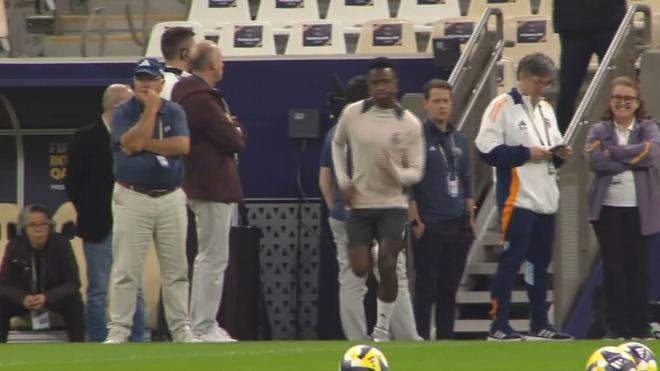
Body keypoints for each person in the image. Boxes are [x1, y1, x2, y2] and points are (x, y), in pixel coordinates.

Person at [475, 53, 574, 341]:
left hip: (546, 196)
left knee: (539, 264)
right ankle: (499, 323)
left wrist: (559, 156)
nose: (543, 88)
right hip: (517, 198)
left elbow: (551, 149)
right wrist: (525, 153)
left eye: (546, 83)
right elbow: (486, 150)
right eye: (539, 82)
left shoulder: (545, 108)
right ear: (522, 77)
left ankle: (540, 322)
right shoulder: (501, 106)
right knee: (511, 259)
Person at [320, 75, 421, 341]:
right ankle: (407, 336)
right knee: (393, 272)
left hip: (347, 213)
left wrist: (338, 209)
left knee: (352, 280)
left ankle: (357, 340)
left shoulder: (335, 132)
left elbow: (325, 179)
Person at [104, 57, 198, 344]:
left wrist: (145, 143)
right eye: (140, 78)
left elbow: (182, 145)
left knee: (176, 269)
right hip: (133, 196)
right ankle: (118, 330)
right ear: (134, 82)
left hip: (170, 197)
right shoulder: (124, 111)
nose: (145, 84)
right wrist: (150, 112)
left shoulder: (175, 111)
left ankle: (181, 329)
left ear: (161, 82)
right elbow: (130, 144)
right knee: (126, 270)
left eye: (150, 78)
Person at [171, 40, 245, 342]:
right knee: (212, 258)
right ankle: (203, 325)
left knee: (209, 256)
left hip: (207, 185)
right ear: (212, 64)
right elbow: (234, 139)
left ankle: (202, 324)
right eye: (221, 59)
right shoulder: (201, 99)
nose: (224, 64)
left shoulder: (193, 95)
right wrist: (235, 128)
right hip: (212, 185)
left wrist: (232, 127)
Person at [65, 84, 146, 342]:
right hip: (99, 225)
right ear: (117, 107)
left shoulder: (133, 137)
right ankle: (99, 344)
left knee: (136, 288)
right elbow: (73, 183)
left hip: (130, 222)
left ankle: (138, 342)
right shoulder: (85, 137)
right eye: (131, 104)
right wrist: (90, 212)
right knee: (99, 290)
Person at [586, 76, 660, 339]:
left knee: (637, 268)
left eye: (628, 98)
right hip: (607, 210)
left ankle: (639, 326)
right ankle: (615, 327)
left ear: (637, 102)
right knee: (614, 268)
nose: (622, 103)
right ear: (610, 101)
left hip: (640, 210)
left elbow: (650, 153)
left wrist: (614, 153)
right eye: (617, 98)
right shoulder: (599, 129)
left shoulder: (649, 127)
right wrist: (631, 158)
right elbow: (595, 161)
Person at [408, 79, 474, 340]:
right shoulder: (417, 139)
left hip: (458, 223)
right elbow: (409, 183)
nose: (442, 106)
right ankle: (421, 336)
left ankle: (446, 338)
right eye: (436, 101)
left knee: (449, 287)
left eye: (446, 101)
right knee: (426, 287)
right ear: (426, 104)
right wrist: (416, 221)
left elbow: (466, 178)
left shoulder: (459, 139)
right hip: (430, 223)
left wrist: (470, 216)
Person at [154, 24, 196, 342]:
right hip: (180, 183)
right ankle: (178, 327)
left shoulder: (157, 85)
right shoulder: (180, 88)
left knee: (173, 261)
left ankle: (173, 327)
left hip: (165, 182)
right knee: (179, 261)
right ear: (185, 53)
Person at [0, 205, 85, 343]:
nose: (38, 229)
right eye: (32, 225)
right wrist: (22, 298)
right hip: (24, 299)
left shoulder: (61, 244)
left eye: (43, 224)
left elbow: (73, 283)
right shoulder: (15, 246)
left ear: (50, 226)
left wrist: (47, 297)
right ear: (24, 229)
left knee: (75, 302)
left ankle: (78, 349)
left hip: (52, 297)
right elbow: (4, 284)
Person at [553, 0, 626, 132]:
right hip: (572, 25)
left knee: (616, 87)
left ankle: (620, 137)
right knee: (568, 90)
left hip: (609, 21)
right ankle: (561, 142)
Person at [160, 26, 196, 100]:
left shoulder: (154, 85)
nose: (197, 55)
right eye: (195, 50)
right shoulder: (189, 87)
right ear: (185, 54)